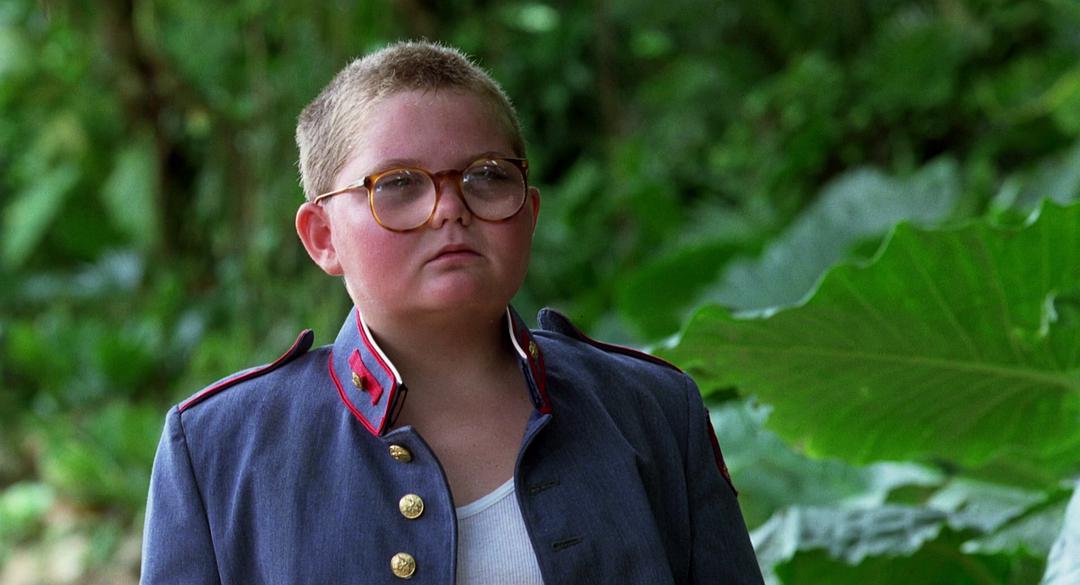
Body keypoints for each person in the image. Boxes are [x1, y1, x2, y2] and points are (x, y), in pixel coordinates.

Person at [140, 40, 763, 584]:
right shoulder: (222, 448)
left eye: (486, 176)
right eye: (398, 184)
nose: (450, 208)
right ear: (323, 237)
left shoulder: (650, 410)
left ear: (530, 214)